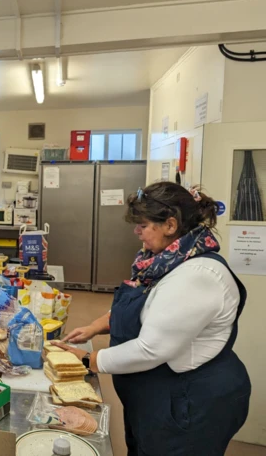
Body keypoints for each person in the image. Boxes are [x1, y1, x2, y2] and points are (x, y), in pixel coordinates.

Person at [54, 182, 251, 456]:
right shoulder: (165, 260)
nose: (137, 232)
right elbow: (145, 305)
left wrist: (89, 360)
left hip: (190, 401)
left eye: (143, 225)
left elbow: (151, 349)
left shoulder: (197, 276)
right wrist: (95, 326)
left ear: (170, 225)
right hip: (155, 396)